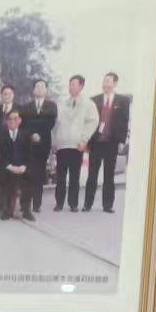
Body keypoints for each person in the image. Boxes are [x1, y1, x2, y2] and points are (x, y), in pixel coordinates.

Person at [83, 71, 130, 214]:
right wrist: (86, 139)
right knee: (92, 174)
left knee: (109, 175)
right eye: (104, 81)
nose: (105, 84)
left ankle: (108, 205)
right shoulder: (94, 100)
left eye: (108, 81)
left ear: (115, 83)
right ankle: (87, 204)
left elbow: (124, 121)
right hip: (96, 142)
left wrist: (121, 141)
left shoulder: (123, 101)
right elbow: (88, 121)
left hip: (112, 143)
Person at [52, 73, 97, 212]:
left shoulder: (88, 104)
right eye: (70, 84)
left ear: (81, 86)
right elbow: (56, 124)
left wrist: (84, 139)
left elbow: (92, 122)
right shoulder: (62, 103)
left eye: (73, 84)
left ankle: (73, 203)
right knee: (60, 176)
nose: (70, 86)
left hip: (77, 145)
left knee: (74, 176)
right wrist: (54, 142)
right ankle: (59, 203)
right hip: (62, 144)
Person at [21, 78, 57, 213]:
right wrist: (32, 134)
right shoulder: (26, 107)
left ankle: (37, 204)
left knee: (39, 174)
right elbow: (24, 124)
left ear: (46, 90)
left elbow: (50, 123)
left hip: (43, 144)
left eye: (42, 87)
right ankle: (25, 204)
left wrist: (39, 134)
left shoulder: (51, 106)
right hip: (28, 144)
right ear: (33, 90)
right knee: (28, 174)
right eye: (37, 87)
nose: (40, 89)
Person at [0, 108, 33, 220]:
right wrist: (10, 167)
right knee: (6, 180)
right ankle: (7, 211)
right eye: (10, 119)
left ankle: (26, 211)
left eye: (15, 119)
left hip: (22, 168)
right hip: (7, 167)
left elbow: (30, 154)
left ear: (20, 120)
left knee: (30, 178)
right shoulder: (0, 136)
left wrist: (23, 167)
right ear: (6, 121)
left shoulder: (26, 135)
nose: (12, 121)